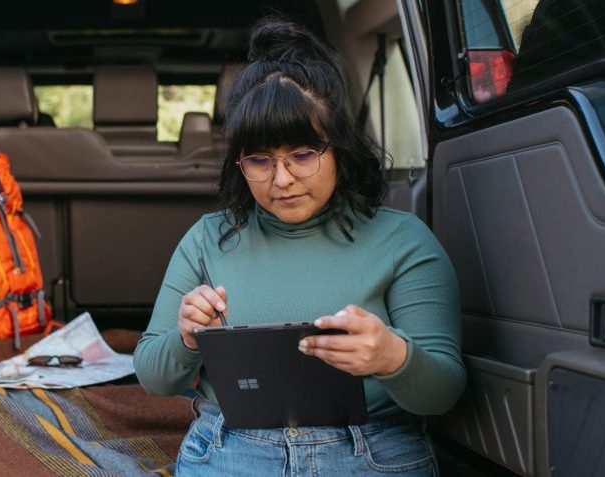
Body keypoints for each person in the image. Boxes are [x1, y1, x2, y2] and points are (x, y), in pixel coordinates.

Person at [133, 15, 465, 476]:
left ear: (340, 149)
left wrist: (394, 358)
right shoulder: (208, 239)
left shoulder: (403, 241)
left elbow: (444, 391)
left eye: (303, 155)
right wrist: (187, 336)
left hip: (374, 453)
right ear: (238, 163)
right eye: (260, 161)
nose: (282, 179)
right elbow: (152, 375)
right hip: (232, 450)